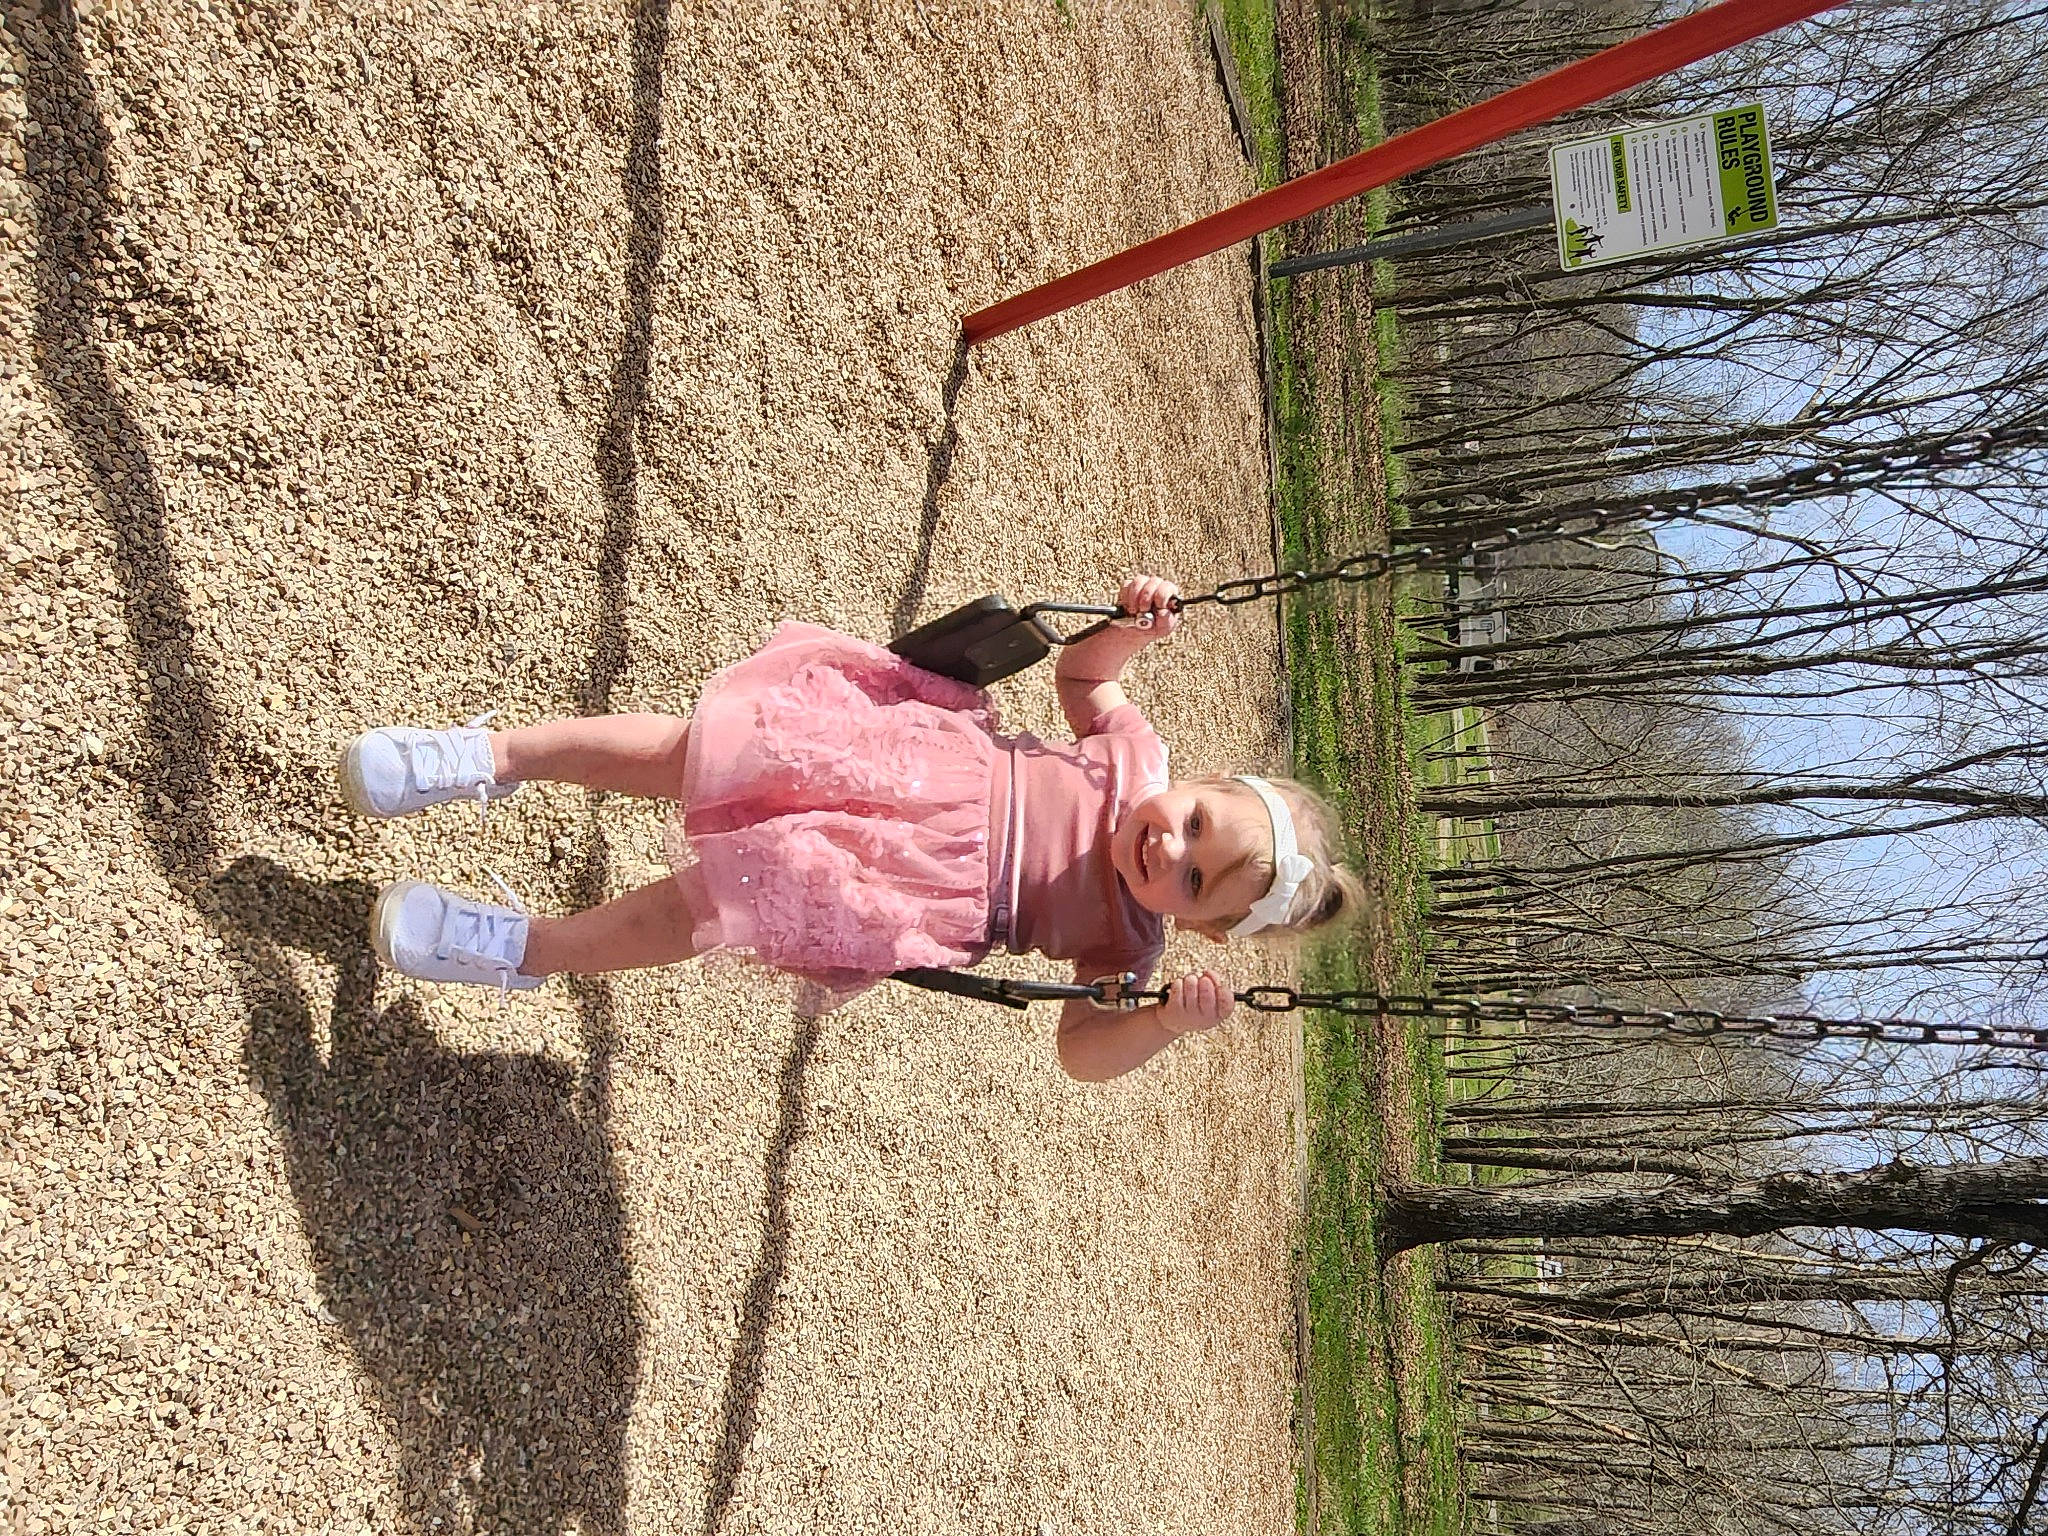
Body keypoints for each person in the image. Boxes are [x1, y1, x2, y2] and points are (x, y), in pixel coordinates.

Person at [340, 576, 1362, 1080]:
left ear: (1201, 928)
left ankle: (522, 950)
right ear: (1203, 782)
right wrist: (1129, 626)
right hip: (897, 756)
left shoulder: (1127, 948)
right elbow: (1082, 677)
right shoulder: (1134, 755)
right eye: (1194, 823)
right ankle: (487, 758)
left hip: (894, 887)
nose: (1169, 849)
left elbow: (1079, 1053)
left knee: (700, 912)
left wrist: (1160, 1023)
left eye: (1194, 882)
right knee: (689, 753)